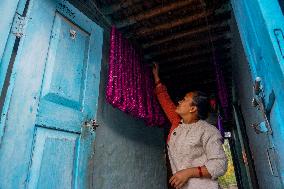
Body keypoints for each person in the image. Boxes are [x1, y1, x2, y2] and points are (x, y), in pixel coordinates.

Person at [152, 63, 227, 189]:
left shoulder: (208, 131)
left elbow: (220, 164)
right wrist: (157, 79)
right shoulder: (177, 124)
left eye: (185, 99)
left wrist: (188, 173)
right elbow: (166, 102)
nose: (180, 101)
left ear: (192, 108)